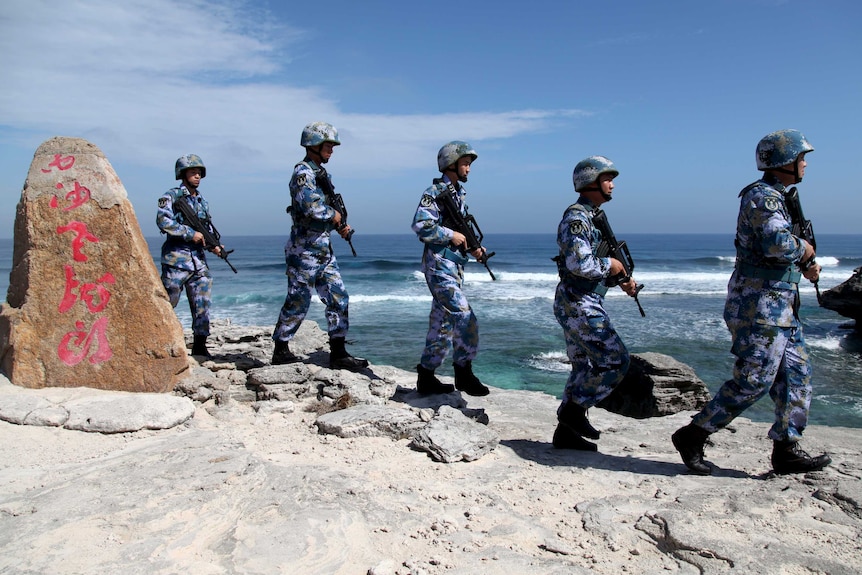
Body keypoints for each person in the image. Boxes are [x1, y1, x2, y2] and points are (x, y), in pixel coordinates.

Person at [672, 129, 831, 475]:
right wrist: (803, 249)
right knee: (755, 379)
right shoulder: (762, 197)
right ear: (784, 161)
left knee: (797, 376)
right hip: (759, 304)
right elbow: (777, 243)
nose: (805, 164)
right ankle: (694, 434)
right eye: (800, 157)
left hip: (781, 305)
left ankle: (787, 449)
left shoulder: (780, 196)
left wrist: (804, 263)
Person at [551, 156, 640, 451]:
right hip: (578, 301)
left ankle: (565, 434)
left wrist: (620, 277)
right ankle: (573, 412)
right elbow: (579, 263)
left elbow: (598, 263)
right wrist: (611, 265)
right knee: (616, 360)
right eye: (607, 179)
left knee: (582, 366)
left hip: (581, 299)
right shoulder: (577, 218)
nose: (612, 184)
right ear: (590, 182)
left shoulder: (593, 216)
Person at [271, 121, 368, 371]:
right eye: (328, 145)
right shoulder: (303, 173)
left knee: (338, 297)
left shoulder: (321, 175)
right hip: (304, 248)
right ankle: (281, 349)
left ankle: (338, 353)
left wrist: (340, 225)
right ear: (313, 145)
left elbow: (327, 208)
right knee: (299, 299)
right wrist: (334, 216)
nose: (331, 150)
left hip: (323, 248)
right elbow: (311, 208)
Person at [411, 141, 491, 396]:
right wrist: (450, 234)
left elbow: (463, 231)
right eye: (465, 163)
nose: (469, 168)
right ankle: (463, 372)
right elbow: (421, 225)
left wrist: (474, 248)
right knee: (465, 317)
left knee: (442, 324)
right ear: (451, 164)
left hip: (453, 266)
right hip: (439, 265)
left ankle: (426, 377)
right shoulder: (434, 192)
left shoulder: (458, 194)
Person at [157, 154, 223, 358]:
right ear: (182, 174)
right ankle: (159, 339)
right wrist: (189, 233)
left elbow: (205, 227)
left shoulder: (202, 201)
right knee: (167, 302)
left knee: (202, 303)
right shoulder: (171, 196)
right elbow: (163, 221)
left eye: (199, 173)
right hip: (177, 259)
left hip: (198, 262)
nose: (197, 176)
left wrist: (213, 244)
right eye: (192, 172)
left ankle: (200, 345)